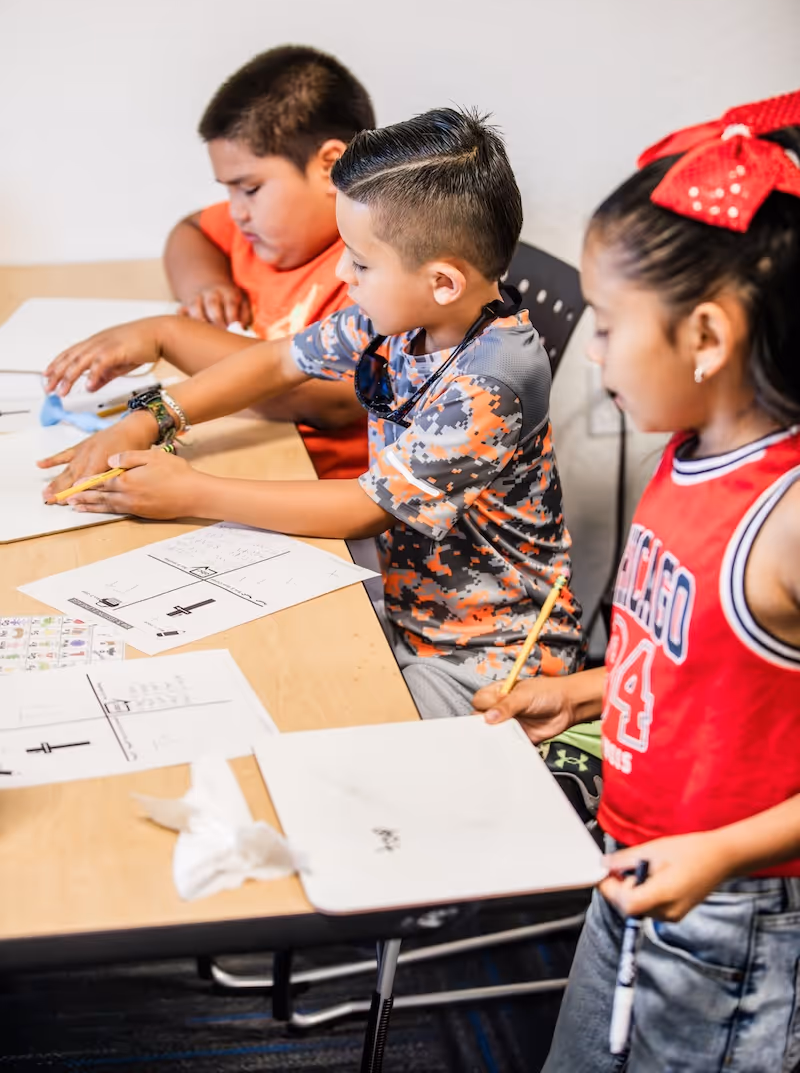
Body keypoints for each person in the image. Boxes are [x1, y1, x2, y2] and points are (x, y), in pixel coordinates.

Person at [41, 107, 583, 715]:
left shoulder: (491, 381)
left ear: (443, 282)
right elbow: (278, 363)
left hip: (487, 656)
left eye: (359, 260)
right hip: (415, 612)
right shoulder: (407, 319)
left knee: (311, 709)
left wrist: (191, 491)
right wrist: (152, 416)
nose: (340, 272)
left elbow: (365, 509)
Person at [474, 90, 800, 1072]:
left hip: (730, 913)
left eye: (610, 328)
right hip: (642, 860)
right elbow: (693, 655)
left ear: (705, 338)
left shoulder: (784, 518)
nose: (595, 353)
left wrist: (719, 855)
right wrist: (580, 689)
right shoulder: (690, 445)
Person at [164, 44, 376, 479]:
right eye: (229, 190)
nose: (237, 210)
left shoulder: (373, 265)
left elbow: (334, 400)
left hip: (324, 497)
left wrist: (177, 338)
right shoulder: (256, 232)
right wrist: (205, 286)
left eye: (250, 188)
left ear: (330, 166)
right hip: (254, 452)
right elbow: (188, 232)